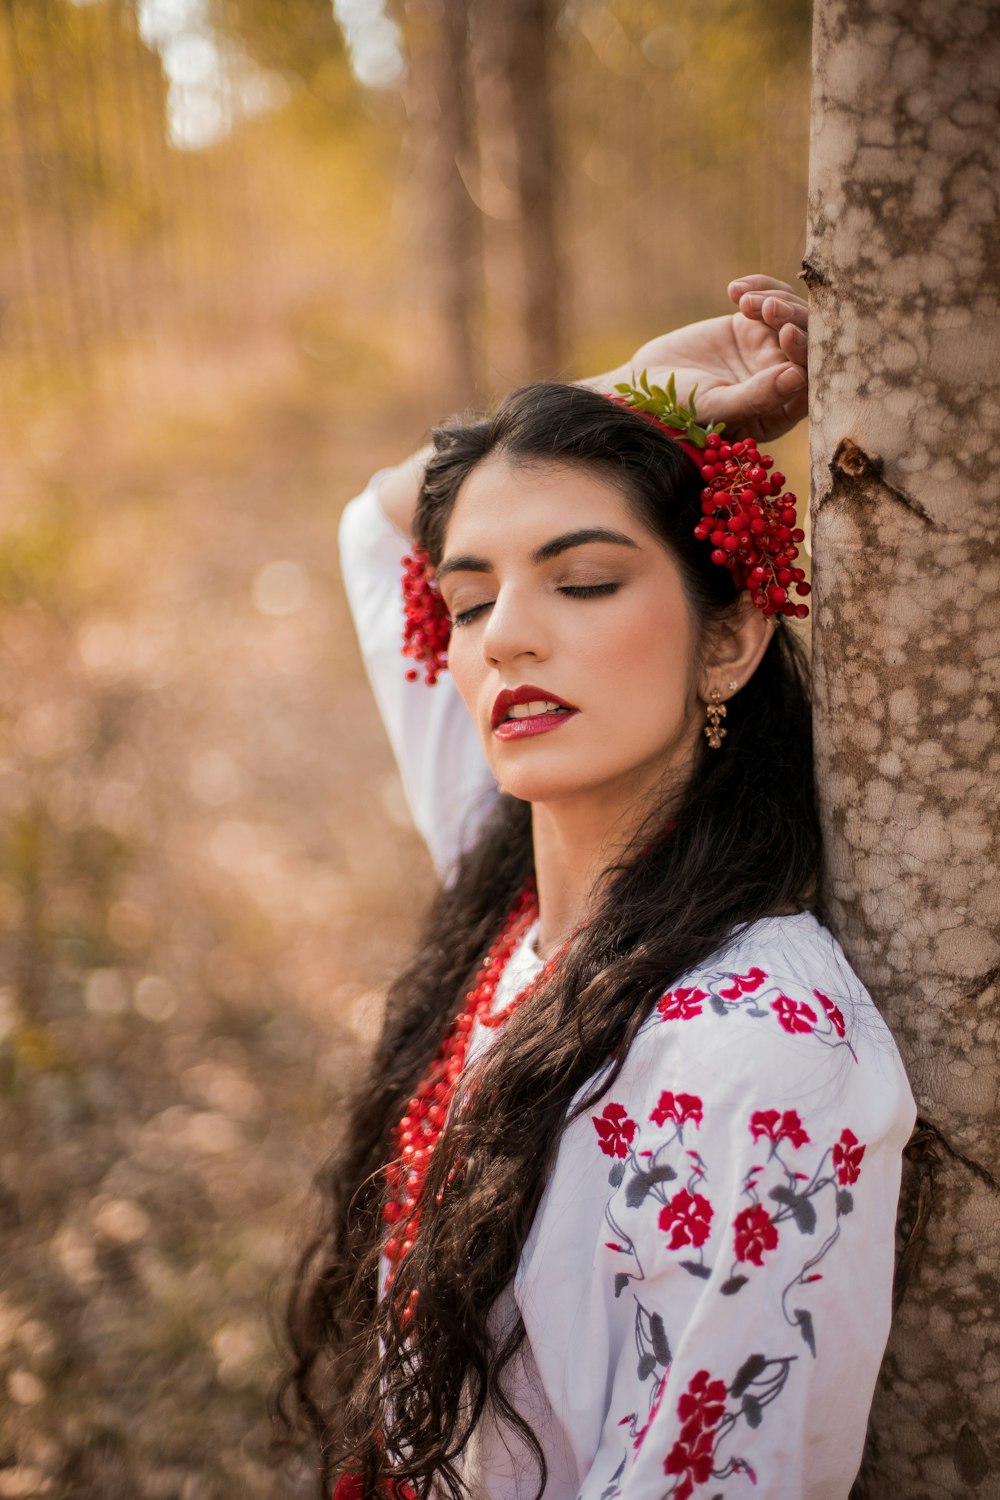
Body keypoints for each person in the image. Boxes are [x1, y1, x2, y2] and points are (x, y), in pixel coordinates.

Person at [281, 276, 915, 1500]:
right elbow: (378, 528)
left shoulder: (756, 1053)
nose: (507, 635)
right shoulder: (512, 882)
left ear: (726, 637)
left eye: (581, 581)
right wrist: (631, 397)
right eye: (470, 600)